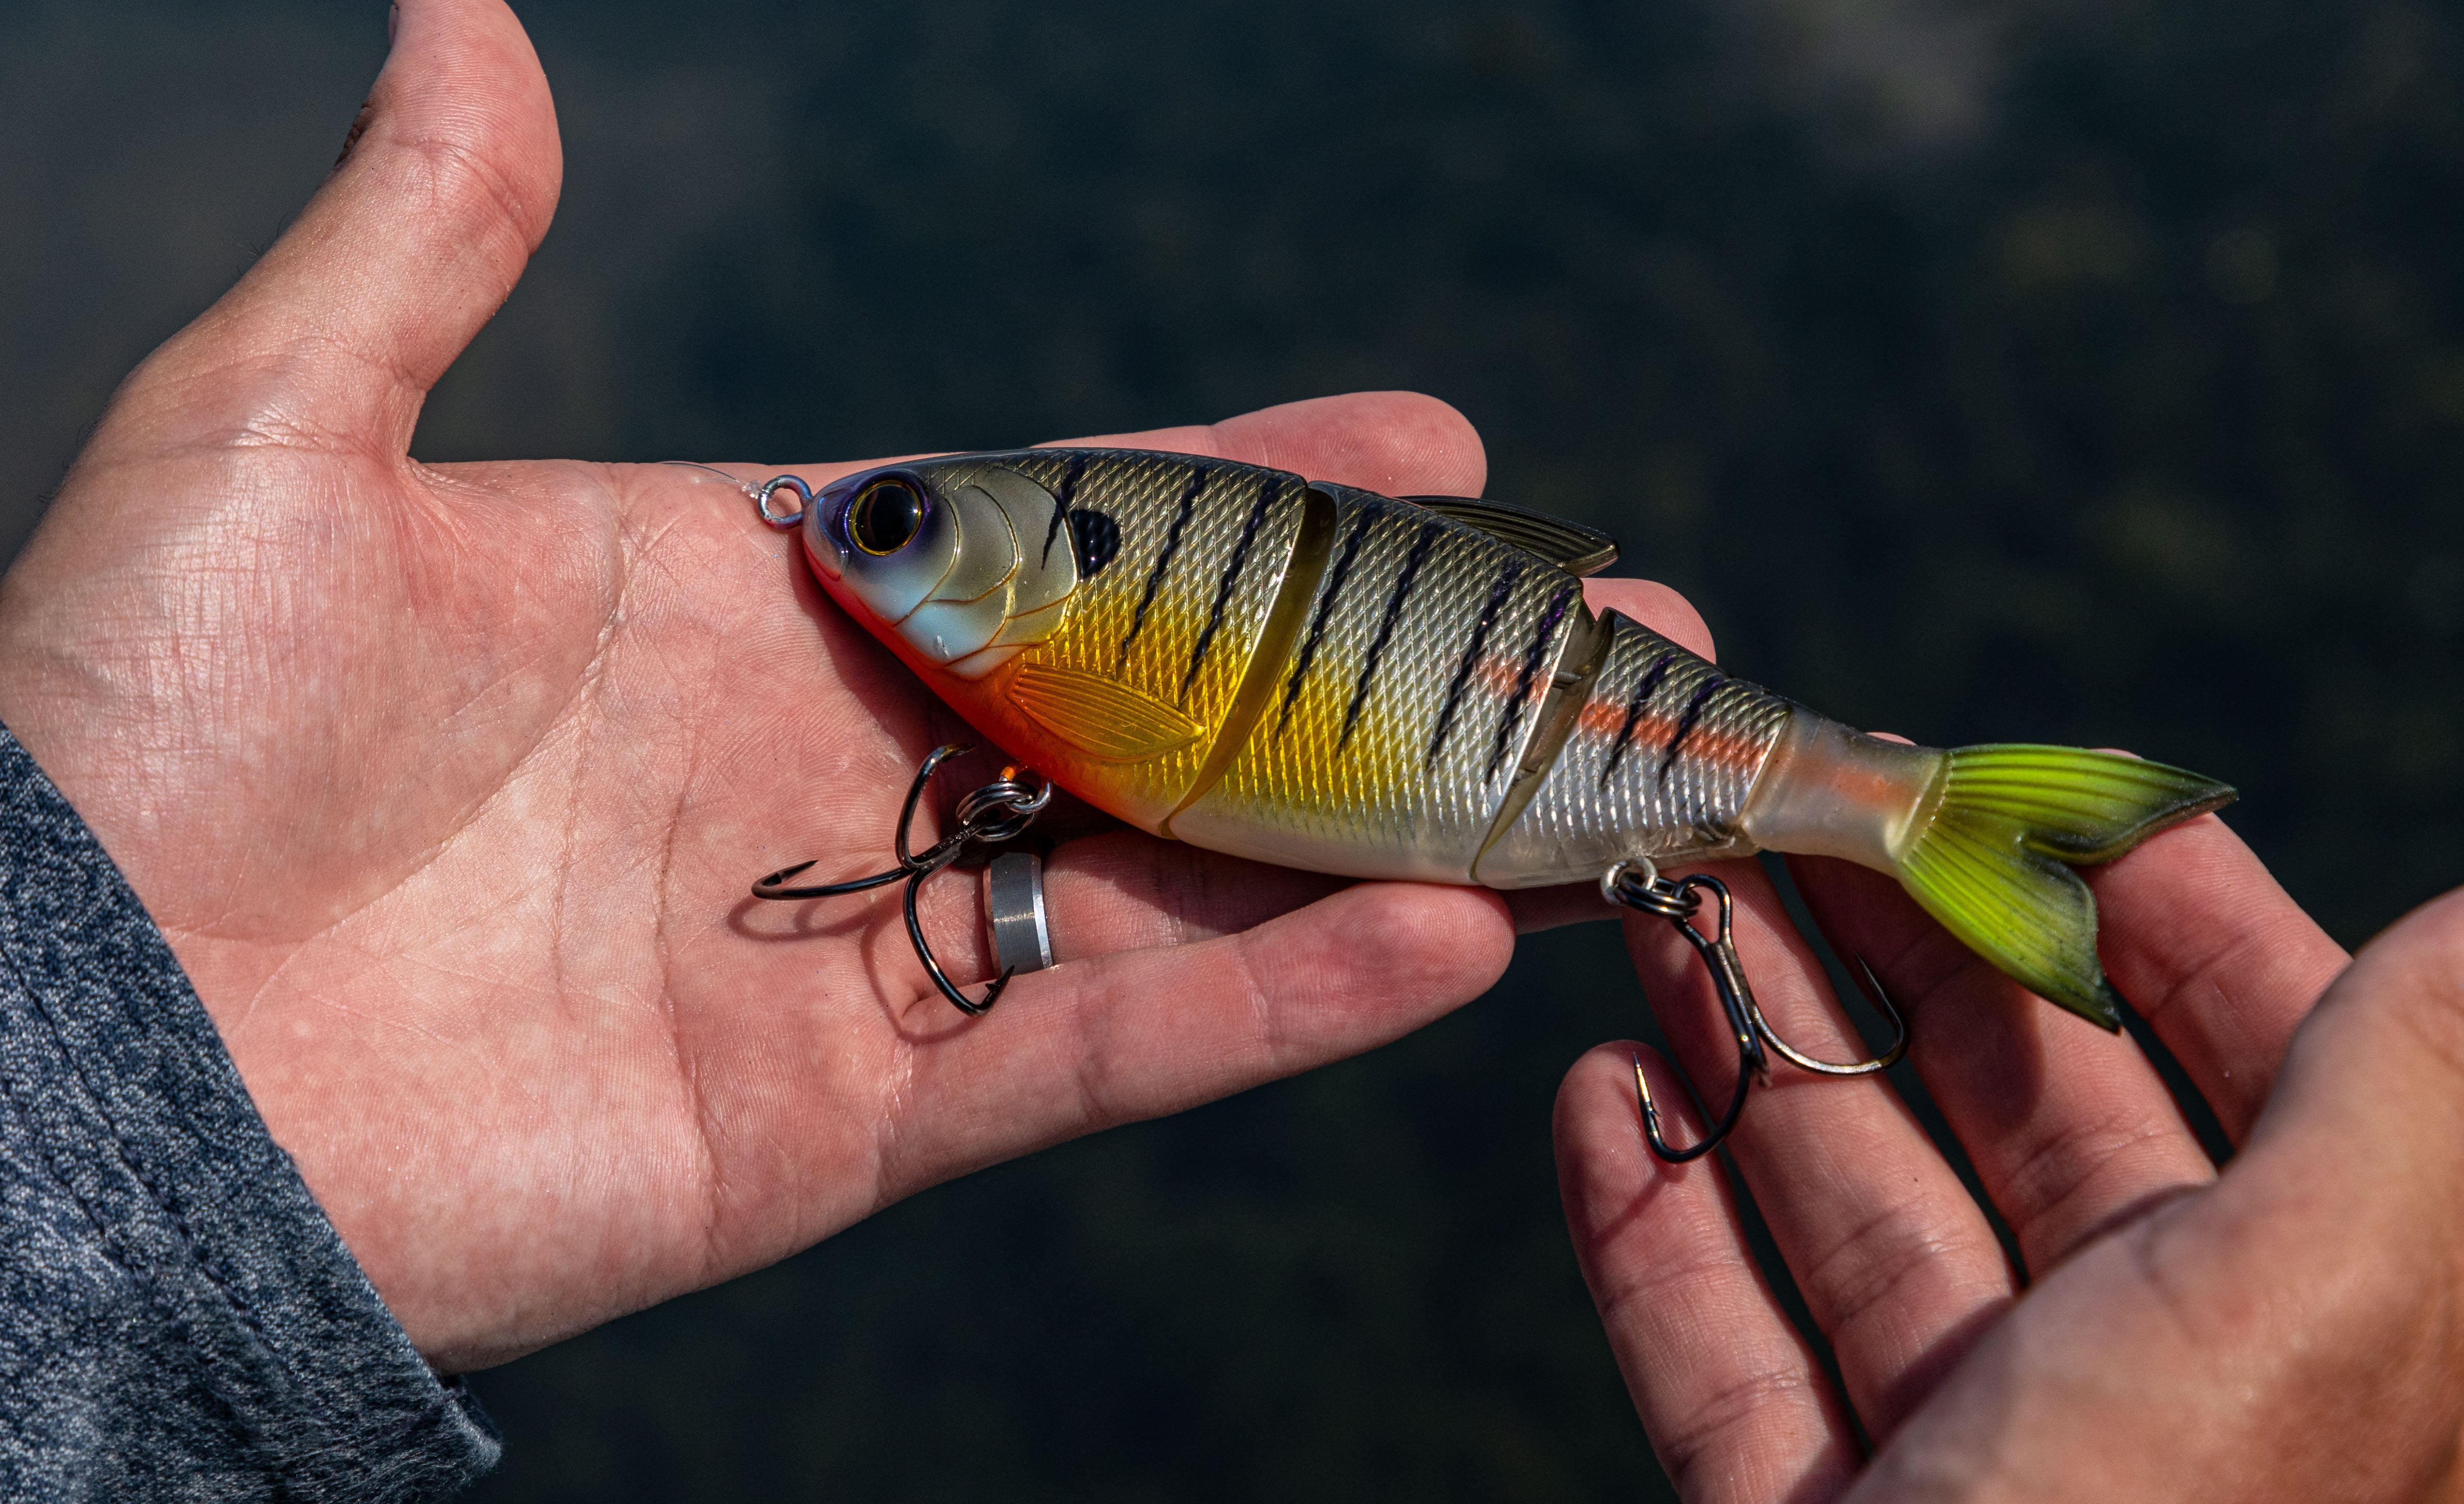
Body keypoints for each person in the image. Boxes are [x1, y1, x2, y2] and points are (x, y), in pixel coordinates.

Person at [0, 0, 2453, 1498]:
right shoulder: (1023, 669)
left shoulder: (1047, 647)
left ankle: (1932, 819)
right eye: (886, 521)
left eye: (896, 525)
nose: (849, 540)